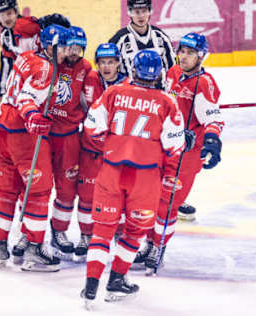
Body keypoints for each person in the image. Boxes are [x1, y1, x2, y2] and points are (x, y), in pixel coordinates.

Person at [79, 50, 190, 307]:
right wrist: (185, 139)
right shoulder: (166, 102)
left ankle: (91, 286)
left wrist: (111, 144)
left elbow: (92, 128)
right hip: (145, 177)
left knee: (103, 230)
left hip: (111, 170)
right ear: (158, 73)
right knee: (135, 230)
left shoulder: (114, 92)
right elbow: (174, 148)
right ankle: (116, 280)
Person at [138, 32, 225, 274]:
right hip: (164, 146)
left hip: (187, 154)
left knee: (169, 204)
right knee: (152, 198)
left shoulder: (205, 84)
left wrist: (211, 142)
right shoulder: (173, 73)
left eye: (190, 53)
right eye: (182, 51)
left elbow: (213, 119)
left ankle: (159, 247)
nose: (184, 56)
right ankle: (148, 243)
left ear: (201, 56)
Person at [0, 24, 73, 272]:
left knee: (6, 191)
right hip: (23, 137)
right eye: (63, 47)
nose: (67, 53)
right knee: (39, 191)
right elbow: (26, 98)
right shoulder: (46, 68)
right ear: (50, 46)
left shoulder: (26, 57)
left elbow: (14, 91)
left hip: (3, 132)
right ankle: (34, 249)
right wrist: (34, 118)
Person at [109, 0, 197, 221]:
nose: (140, 15)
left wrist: (172, 100)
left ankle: (170, 197)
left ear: (150, 11)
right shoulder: (119, 40)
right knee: (133, 153)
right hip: (132, 106)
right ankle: (127, 200)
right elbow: (109, 73)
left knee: (163, 152)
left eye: (144, 10)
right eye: (136, 11)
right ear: (129, 12)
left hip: (158, 105)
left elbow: (173, 71)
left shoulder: (161, 38)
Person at [75, 43, 128, 262]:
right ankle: (86, 235)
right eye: (103, 62)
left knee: (119, 195)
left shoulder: (128, 85)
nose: (107, 67)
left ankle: (119, 234)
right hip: (90, 150)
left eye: (111, 62)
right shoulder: (89, 79)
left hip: (118, 153)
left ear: (118, 62)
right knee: (87, 196)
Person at [47, 26, 92, 260]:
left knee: (67, 189)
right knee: (38, 187)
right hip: (46, 135)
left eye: (78, 48)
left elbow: (91, 104)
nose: (73, 53)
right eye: (70, 47)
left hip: (70, 138)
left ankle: (59, 231)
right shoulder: (54, 63)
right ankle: (29, 234)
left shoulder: (86, 69)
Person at [0, 0, 71, 116]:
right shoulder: (5, 36)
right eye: (2, 15)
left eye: (9, 13)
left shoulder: (24, 25)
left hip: (46, 71)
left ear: (16, 12)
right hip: (33, 78)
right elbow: (6, 65)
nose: (6, 18)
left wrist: (57, 21)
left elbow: (46, 24)